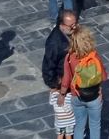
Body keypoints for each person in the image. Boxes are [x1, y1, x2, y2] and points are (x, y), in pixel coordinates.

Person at [40, 10, 79, 139]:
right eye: (71, 26)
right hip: (63, 81)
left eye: (75, 24)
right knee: (66, 116)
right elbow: (48, 65)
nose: (75, 27)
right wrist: (55, 84)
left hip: (72, 78)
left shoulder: (70, 33)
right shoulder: (54, 42)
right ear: (61, 25)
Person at [65, 24, 107, 139]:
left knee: (79, 125)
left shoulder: (69, 57)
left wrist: (62, 93)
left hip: (76, 96)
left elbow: (66, 78)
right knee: (94, 125)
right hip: (94, 96)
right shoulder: (94, 56)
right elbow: (103, 77)